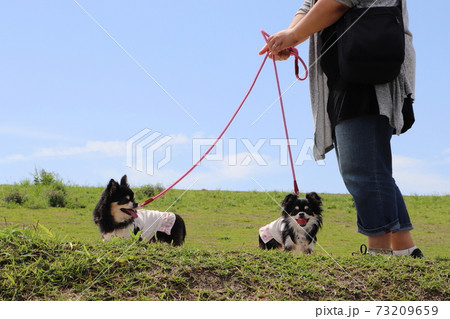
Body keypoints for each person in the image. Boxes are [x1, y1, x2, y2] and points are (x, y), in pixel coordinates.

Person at [259, 0, 423, 258]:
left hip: (367, 70)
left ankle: (379, 252)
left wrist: (293, 35)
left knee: (361, 168)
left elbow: (337, 3)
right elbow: (309, 5)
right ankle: (405, 250)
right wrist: (290, 37)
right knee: (372, 166)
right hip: (348, 71)